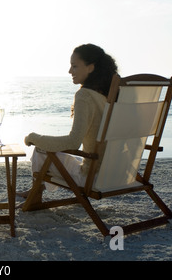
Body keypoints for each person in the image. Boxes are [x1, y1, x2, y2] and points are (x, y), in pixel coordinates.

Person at [19, 43, 119, 198]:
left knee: (39, 149)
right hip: (117, 174)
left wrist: (34, 138)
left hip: (92, 178)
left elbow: (73, 142)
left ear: (90, 68)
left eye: (74, 66)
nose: (69, 71)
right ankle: (35, 192)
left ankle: (35, 195)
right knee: (61, 153)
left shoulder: (84, 96)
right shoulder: (111, 96)